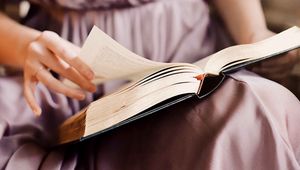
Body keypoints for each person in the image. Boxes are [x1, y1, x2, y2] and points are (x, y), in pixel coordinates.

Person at [0, 0, 299, 169]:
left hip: (187, 54)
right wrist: (27, 46)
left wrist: (253, 33)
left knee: (255, 109)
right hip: (62, 66)